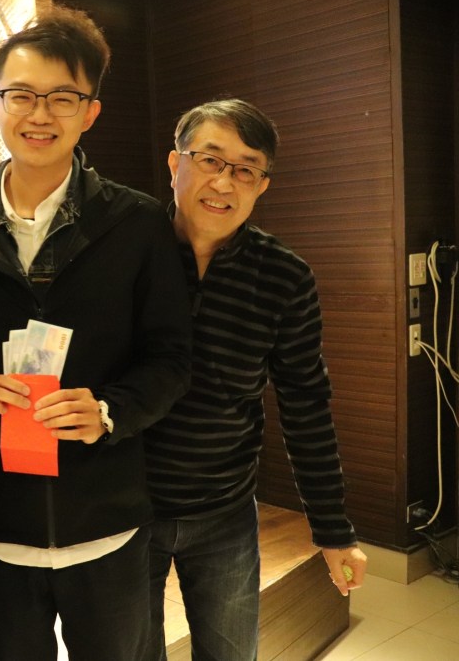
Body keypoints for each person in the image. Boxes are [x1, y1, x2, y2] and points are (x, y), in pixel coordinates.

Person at [0, 6, 193, 661]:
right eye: (21, 95)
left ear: (90, 112)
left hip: (107, 524)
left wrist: (108, 411)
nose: (39, 115)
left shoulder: (137, 224)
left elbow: (171, 359)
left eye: (62, 98)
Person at [145, 98, 369, 661]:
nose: (224, 182)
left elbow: (306, 405)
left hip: (224, 510)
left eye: (246, 169)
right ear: (175, 164)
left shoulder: (284, 277)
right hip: (124, 507)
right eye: (210, 159)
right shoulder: (126, 254)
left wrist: (333, 529)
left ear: (262, 185)